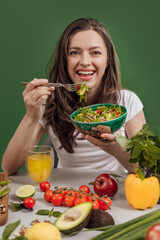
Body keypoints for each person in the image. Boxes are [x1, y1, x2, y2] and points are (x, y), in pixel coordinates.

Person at [2, 18, 146, 175]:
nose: (85, 62)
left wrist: (115, 148)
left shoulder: (127, 101)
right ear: (65, 61)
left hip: (115, 191)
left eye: (95, 53)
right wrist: (31, 116)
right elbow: (9, 168)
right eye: (74, 52)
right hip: (66, 193)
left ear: (107, 62)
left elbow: (146, 171)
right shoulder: (50, 101)